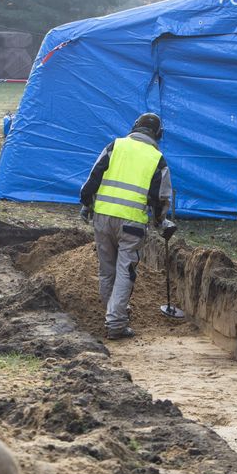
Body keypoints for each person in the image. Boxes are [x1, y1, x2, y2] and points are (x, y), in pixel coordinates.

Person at [79, 112, 173, 340]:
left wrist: (86, 204)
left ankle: (114, 314)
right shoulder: (157, 159)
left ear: (135, 127)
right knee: (125, 272)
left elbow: (94, 177)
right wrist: (161, 222)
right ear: (158, 134)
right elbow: (159, 198)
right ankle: (116, 322)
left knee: (106, 270)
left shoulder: (115, 146)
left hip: (102, 218)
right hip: (132, 223)